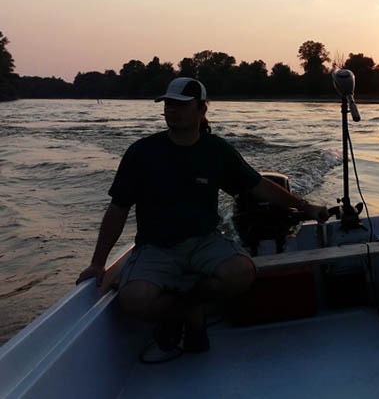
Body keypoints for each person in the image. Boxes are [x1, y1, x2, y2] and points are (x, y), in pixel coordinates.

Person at [77, 77, 327, 360]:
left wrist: (306, 207)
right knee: (133, 300)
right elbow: (118, 209)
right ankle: (190, 312)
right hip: (155, 247)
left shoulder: (216, 151)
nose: (173, 110)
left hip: (205, 242)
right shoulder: (142, 153)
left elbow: (257, 186)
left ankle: (183, 309)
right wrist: (98, 263)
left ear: (202, 110)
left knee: (243, 272)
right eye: (169, 104)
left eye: (182, 105)